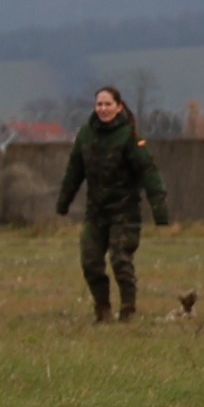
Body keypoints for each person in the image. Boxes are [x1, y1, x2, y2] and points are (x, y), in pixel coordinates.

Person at [55, 85, 171, 322]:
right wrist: (63, 203)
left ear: (118, 107)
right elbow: (74, 171)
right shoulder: (86, 135)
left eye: (108, 104)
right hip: (96, 212)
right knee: (90, 262)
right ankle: (103, 310)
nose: (103, 109)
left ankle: (128, 310)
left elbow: (148, 171)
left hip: (124, 212)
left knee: (120, 259)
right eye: (99, 104)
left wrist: (159, 210)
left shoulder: (129, 137)